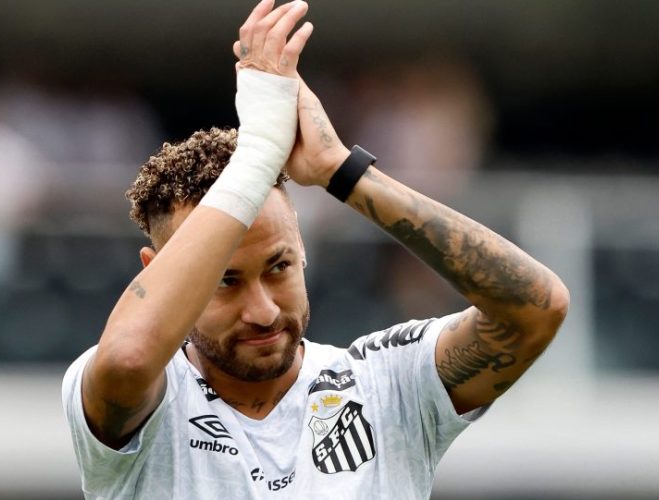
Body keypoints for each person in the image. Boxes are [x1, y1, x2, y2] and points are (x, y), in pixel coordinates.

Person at [62, 1, 569, 498]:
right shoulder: (142, 396)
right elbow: (129, 358)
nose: (263, 311)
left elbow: (536, 308)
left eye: (279, 266)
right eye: (225, 280)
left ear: (301, 245)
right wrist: (259, 154)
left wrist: (340, 171)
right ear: (157, 271)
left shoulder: (386, 383)